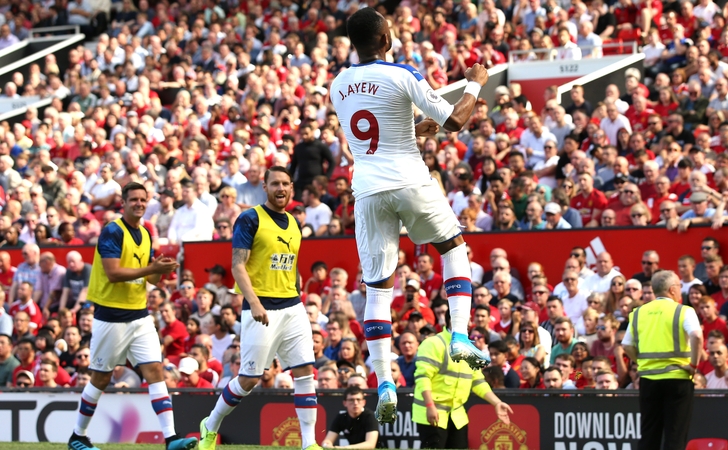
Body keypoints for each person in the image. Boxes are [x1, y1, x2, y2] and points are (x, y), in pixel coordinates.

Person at [331, 7, 490, 423]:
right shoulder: (403, 73)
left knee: (379, 288)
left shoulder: (338, 84)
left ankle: (384, 380)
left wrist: (413, 130)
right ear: (386, 39)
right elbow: (455, 120)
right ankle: (458, 334)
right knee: (453, 247)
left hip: (366, 190)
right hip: (408, 178)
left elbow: (370, 133)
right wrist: (474, 84)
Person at [198, 166, 321, 450]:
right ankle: (211, 424)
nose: (281, 188)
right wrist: (253, 302)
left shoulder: (293, 221)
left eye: (285, 184)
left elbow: (290, 263)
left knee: (305, 373)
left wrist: (298, 292)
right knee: (249, 379)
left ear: (292, 188)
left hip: (292, 306)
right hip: (261, 307)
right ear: (264, 187)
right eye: (275, 183)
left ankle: (309, 444)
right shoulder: (250, 218)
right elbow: (237, 264)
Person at [67, 182, 197, 450]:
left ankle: (170, 439)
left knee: (155, 370)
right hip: (111, 316)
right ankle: (77, 436)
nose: (139, 203)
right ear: (123, 203)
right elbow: (113, 273)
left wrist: (160, 269)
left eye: (142, 199)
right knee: (101, 378)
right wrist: (150, 268)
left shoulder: (146, 233)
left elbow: (150, 277)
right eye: (133, 199)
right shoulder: (112, 231)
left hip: (139, 315)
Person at [622, 270, 703, 450]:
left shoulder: (638, 313)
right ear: (673, 289)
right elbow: (697, 335)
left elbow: (626, 345)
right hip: (678, 378)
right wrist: (693, 365)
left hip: (649, 381)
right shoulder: (683, 311)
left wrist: (641, 362)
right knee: (675, 435)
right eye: (679, 287)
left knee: (649, 435)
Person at [412, 310, 513, 449]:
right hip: (432, 412)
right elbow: (423, 377)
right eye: (467, 319)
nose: (470, 323)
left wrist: (496, 403)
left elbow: (478, 381)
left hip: (457, 415)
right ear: (452, 320)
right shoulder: (433, 343)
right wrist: (430, 406)